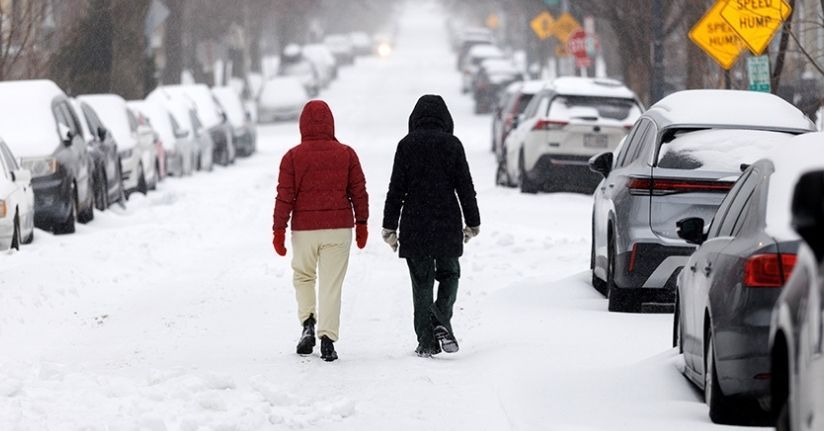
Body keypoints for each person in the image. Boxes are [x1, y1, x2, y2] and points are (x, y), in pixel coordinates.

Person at [382, 95, 481, 358]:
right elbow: (465, 186)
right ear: (445, 119)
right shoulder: (452, 144)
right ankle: (441, 314)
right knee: (450, 273)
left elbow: (396, 189)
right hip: (446, 220)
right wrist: (473, 221)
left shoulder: (406, 145)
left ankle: (426, 341)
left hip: (414, 223)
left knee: (421, 283)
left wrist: (389, 227)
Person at [272, 100, 369, 362]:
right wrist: (362, 223)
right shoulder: (346, 154)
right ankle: (327, 339)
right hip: (338, 228)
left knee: (304, 276)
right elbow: (358, 192)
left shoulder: (292, 157)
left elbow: (284, 197)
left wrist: (279, 229)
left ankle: (308, 322)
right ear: (330, 124)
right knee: (331, 283)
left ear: (302, 125)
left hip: (305, 230)